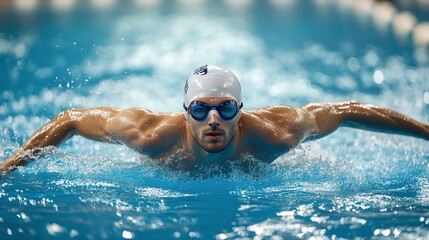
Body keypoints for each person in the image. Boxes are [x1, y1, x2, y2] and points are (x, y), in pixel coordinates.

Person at [1, 65, 428, 174]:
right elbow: (73, 117)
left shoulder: (273, 135)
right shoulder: (152, 136)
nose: (213, 120)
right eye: (201, 110)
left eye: (226, 108)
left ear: (239, 112)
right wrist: (11, 164)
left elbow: (346, 111)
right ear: (185, 113)